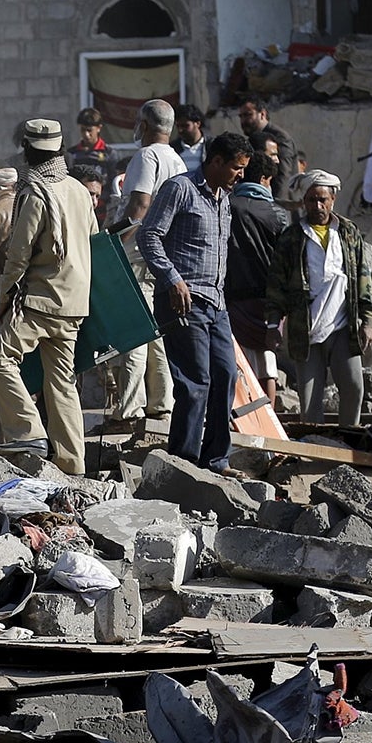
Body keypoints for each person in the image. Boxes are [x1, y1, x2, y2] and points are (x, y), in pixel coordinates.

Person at [0, 120, 94, 476]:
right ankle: (72, 461)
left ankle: (28, 432)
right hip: (74, 301)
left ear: (29, 151)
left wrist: (4, 296)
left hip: (39, 300)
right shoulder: (77, 189)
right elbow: (92, 239)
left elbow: (19, 253)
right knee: (61, 381)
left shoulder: (34, 191)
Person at [139, 132, 250, 470]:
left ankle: (216, 458)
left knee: (226, 374)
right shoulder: (180, 189)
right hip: (183, 302)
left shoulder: (223, 198)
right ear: (215, 161)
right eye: (236, 168)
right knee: (195, 381)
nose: (240, 175)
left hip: (216, 303)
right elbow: (149, 235)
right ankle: (184, 462)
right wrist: (172, 278)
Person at [266, 170, 372, 428]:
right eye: (312, 200)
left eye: (322, 200)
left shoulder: (348, 233)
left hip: (342, 328)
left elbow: (363, 278)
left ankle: (349, 441)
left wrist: (368, 321)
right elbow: (276, 286)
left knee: (352, 387)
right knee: (310, 399)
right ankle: (311, 449)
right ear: (304, 202)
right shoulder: (292, 238)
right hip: (305, 331)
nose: (317, 206)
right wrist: (273, 325)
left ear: (333, 200)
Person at [106, 98, 184, 427]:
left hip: (137, 255)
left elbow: (139, 205)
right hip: (164, 255)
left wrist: (114, 242)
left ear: (146, 126)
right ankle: (161, 403)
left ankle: (128, 409)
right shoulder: (178, 161)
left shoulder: (146, 156)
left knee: (135, 331)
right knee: (155, 332)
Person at [226, 149, 292, 379]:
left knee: (238, 362)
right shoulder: (277, 214)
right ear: (265, 179)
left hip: (233, 296)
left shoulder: (226, 206)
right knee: (267, 363)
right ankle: (268, 413)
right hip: (268, 300)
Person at [175, 104, 207, 174]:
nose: (180, 130)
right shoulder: (173, 149)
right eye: (178, 126)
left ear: (198, 123)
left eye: (185, 126)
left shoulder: (210, 146)